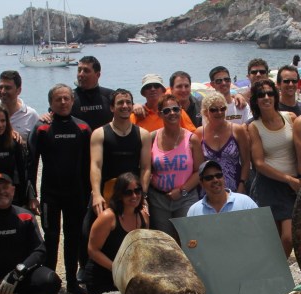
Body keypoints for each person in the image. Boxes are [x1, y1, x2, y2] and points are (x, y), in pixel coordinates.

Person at [28, 84, 92, 294]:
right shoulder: (42, 128)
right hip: (50, 194)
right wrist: (32, 196)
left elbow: (89, 165)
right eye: (58, 99)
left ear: (72, 101)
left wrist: (91, 192)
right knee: (52, 236)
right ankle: (49, 284)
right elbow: (32, 164)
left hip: (76, 193)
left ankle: (72, 282)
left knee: (73, 237)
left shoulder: (83, 128)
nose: (63, 103)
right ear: (51, 104)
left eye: (66, 98)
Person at [247, 79, 301, 257]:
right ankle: (278, 276)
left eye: (270, 93)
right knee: (277, 238)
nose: (266, 97)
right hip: (270, 185)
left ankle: (279, 273)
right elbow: (259, 164)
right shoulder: (254, 126)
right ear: (255, 100)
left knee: (289, 237)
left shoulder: (290, 117)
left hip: (293, 184)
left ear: (276, 96)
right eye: (261, 95)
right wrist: (288, 179)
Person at [140, 94, 204, 239]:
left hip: (185, 198)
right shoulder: (151, 138)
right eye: (167, 111)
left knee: (188, 239)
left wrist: (182, 190)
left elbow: (199, 172)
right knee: (164, 241)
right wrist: (143, 195)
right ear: (159, 114)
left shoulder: (192, 139)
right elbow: (145, 168)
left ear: (181, 110)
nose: (172, 113)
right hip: (158, 199)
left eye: (175, 109)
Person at [89, 89, 151, 215]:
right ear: (112, 107)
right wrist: (96, 194)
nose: (125, 106)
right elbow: (95, 166)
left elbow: (145, 168)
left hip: (133, 193)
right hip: (107, 190)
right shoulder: (99, 134)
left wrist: (142, 195)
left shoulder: (143, 134)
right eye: (120, 102)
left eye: (128, 102)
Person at [85, 173, 148, 294]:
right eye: (128, 192)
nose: (134, 196)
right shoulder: (108, 217)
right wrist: (116, 269)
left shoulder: (143, 216)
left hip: (127, 275)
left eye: (137, 191)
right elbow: (92, 250)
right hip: (103, 275)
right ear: (119, 195)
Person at [194, 93, 251, 195]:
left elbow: (246, 162)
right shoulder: (199, 133)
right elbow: (198, 167)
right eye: (213, 109)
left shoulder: (237, 130)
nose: (219, 112)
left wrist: (242, 185)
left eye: (222, 108)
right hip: (209, 191)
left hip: (236, 189)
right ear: (205, 112)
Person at [187, 160, 258, 216]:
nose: (215, 180)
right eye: (209, 178)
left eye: (218, 175)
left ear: (223, 178)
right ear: (201, 183)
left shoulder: (245, 203)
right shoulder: (194, 211)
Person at [130, 73, 196, 132]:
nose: (153, 89)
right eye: (148, 87)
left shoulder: (176, 111)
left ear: (163, 90)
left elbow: (192, 134)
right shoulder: (136, 115)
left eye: (156, 86)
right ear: (143, 92)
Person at [72, 56, 115, 129]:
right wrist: (46, 116)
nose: (81, 74)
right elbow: (53, 114)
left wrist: (136, 106)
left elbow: (127, 106)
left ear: (97, 75)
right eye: (79, 70)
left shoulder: (110, 95)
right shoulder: (69, 97)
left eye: (86, 71)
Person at [0, 70, 39, 142]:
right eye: (0, 87)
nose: (3, 91)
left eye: (7, 88)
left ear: (19, 90)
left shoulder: (31, 115)